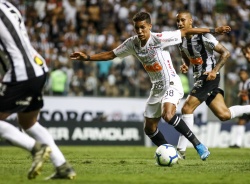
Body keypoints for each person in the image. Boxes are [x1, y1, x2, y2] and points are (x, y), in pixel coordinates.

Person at [70, 11, 232, 161]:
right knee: (149, 128)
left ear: (149, 26)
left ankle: (198, 145)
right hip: (157, 88)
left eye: (142, 27)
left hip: (171, 83)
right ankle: (169, 152)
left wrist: (213, 30)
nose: (139, 31)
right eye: (137, 28)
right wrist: (88, 57)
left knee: (168, 115)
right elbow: (111, 54)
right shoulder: (132, 43)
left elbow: (185, 32)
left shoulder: (159, 38)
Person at [174, 11, 250, 159]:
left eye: (182, 20)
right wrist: (185, 64)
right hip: (201, 78)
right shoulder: (181, 40)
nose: (179, 23)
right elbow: (187, 56)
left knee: (186, 108)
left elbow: (226, 53)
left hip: (208, 77)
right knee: (224, 115)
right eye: (177, 21)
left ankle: (180, 152)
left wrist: (214, 71)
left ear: (191, 21)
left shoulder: (204, 36)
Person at [0, 0, 76, 180]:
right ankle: (62, 166)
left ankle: (36, 149)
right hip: (38, 68)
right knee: (28, 122)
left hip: (21, 72)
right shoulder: (7, 5)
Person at [229, 67, 250, 148]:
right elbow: (242, 99)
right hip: (247, 108)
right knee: (241, 122)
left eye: (243, 74)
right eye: (240, 74)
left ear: (247, 74)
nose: (241, 76)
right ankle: (237, 144)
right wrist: (240, 110)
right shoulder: (241, 84)